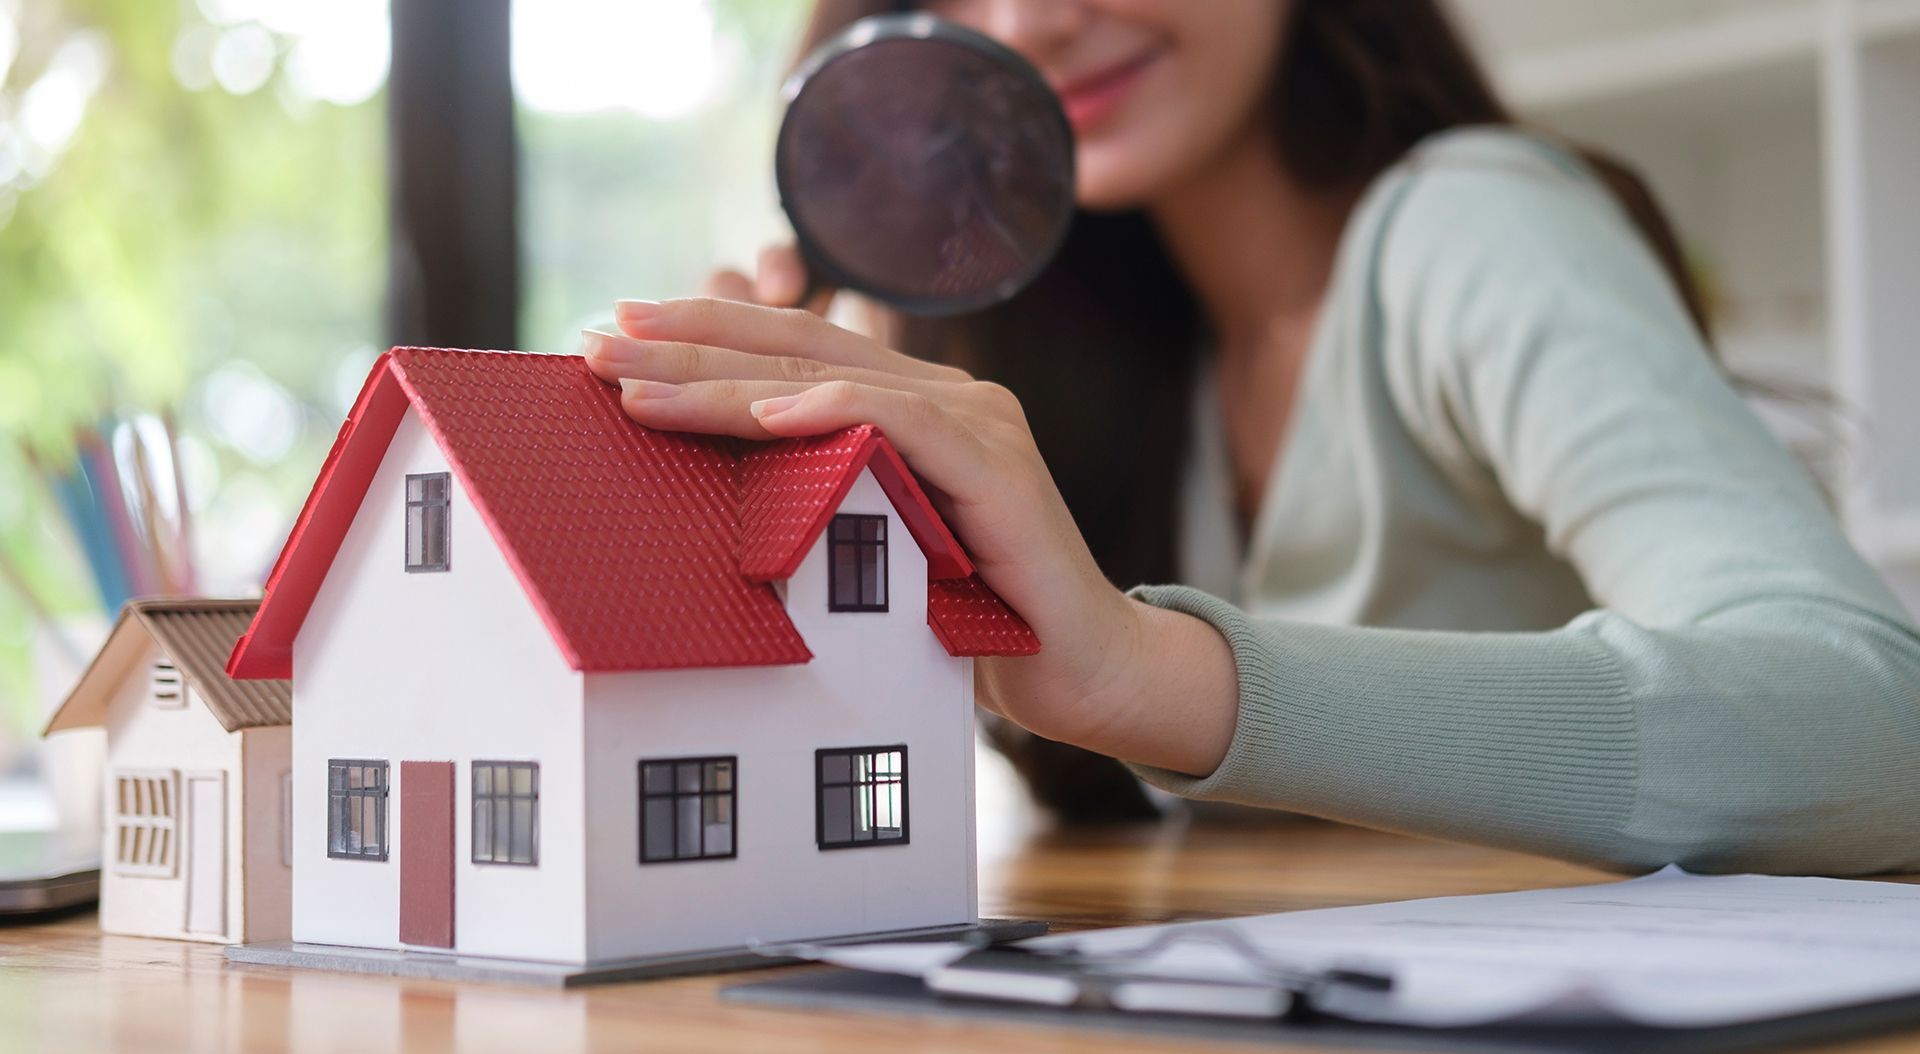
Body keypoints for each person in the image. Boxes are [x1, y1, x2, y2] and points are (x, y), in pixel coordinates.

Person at [581, 0, 1920, 873]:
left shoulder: (1470, 230)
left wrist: (1149, 668)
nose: (1036, 22)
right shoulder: (1114, 356)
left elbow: (1878, 727)